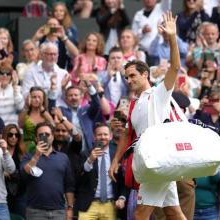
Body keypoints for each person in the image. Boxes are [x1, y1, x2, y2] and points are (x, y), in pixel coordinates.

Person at [109, 11, 185, 219]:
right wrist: (116, 161)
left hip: (157, 162)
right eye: (126, 77)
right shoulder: (133, 104)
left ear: (145, 74)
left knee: (140, 213)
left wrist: (172, 38)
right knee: (174, 213)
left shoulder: (159, 93)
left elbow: (176, 67)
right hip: (155, 163)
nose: (129, 80)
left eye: (133, 75)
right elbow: (126, 134)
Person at [20, 122, 75, 220]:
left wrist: (70, 208)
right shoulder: (28, 156)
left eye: (47, 134)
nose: (44, 137)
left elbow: (69, 186)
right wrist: (36, 155)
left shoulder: (63, 158)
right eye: (41, 135)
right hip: (35, 211)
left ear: (53, 137)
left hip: (59, 211)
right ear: (36, 139)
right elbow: (24, 174)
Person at [76, 123, 126, 219]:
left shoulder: (117, 155)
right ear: (94, 137)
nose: (103, 137)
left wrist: (122, 197)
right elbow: (78, 179)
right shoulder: (85, 154)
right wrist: (90, 160)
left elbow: (122, 180)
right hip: (88, 205)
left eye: (105, 134)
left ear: (110, 136)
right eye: (99, 135)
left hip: (110, 205)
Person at [0, 60, 24, 126]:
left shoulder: (17, 89)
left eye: (8, 73)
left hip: (12, 130)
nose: (5, 75)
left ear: (11, 76)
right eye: (2, 73)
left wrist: (15, 89)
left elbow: (20, 107)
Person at [19, 86, 54, 153]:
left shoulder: (46, 114)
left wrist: (42, 110)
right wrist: (26, 106)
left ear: (43, 99)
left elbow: (52, 125)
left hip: (44, 146)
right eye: (34, 97)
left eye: (39, 97)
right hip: (27, 148)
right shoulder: (25, 113)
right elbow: (20, 124)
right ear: (29, 98)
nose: (37, 99)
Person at [1, 124, 26, 217]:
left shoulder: (22, 153)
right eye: (10, 135)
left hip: (19, 194)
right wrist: (2, 173)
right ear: (5, 136)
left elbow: (24, 173)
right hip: (1, 195)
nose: (14, 137)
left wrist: (11, 173)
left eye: (17, 135)